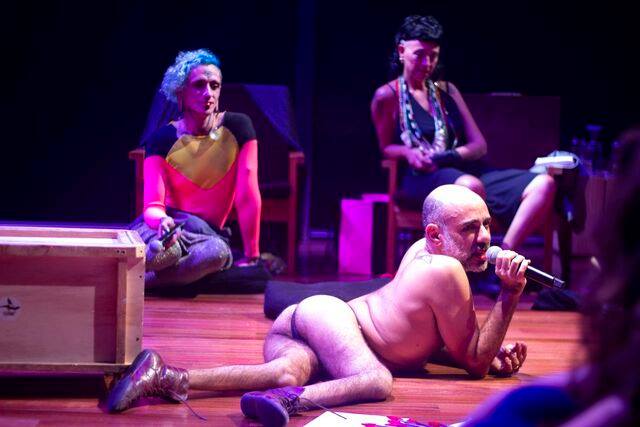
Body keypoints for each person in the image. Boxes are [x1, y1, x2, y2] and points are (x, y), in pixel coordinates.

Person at [106, 184, 530, 426]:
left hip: (312, 325)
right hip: (334, 319)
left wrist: (488, 353)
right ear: (435, 234)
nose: (485, 238)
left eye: (487, 225)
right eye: (470, 228)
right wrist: (510, 293)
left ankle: (166, 375)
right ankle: (288, 400)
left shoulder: (426, 251)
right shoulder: (447, 270)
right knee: (376, 381)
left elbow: (447, 345)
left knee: (283, 371)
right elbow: (473, 362)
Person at [463, 127, 640, 426]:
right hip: (436, 172)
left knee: (517, 408)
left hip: (477, 169)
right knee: (522, 403)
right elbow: (614, 378)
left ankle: (507, 249)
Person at [371, 15, 556, 257]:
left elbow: (479, 145)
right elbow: (385, 147)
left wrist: (446, 156)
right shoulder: (387, 96)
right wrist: (408, 152)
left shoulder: (446, 90)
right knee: (470, 186)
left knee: (543, 183)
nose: (427, 63)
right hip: (422, 176)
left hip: (463, 169)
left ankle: (501, 257)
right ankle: (470, 261)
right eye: (420, 55)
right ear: (401, 51)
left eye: (433, 56)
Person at [131, 49, 262, 288]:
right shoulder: (161, 140)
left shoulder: (238, 127)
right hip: (166, 227)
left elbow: (247, 194)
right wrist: (163, 221)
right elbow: (152, 207)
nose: (208, 93)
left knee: (216, 253)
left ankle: (141, 283)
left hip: (206, 237)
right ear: (181, 92)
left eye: (214, 85)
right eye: (199, 85)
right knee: (157, 246)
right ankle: (158, 267)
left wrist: (252, 254)